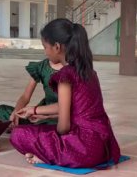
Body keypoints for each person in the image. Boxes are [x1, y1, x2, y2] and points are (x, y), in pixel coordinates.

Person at [10, 18, 120, 168]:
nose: (45, 52)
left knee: (19, 134)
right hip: (104, 147)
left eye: (45, 47)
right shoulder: (89, 72)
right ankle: (50, 152)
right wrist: (38, 111)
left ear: (56, 47)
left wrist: (50, 136)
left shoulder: (65, 76)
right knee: (41, 130)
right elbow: (74, 107)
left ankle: (48, 156)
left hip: (84, 149)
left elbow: (63, 128)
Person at [0, 59, 63, 127]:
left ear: (57, 47)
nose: (45, 52)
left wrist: (48, 117)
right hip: (39, 114)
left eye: (46, 48)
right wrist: (16, 113)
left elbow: (68, 108)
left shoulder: (71, 69)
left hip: (62, 117)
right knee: (0, 111)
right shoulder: (42, 66)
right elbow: (25, 97)